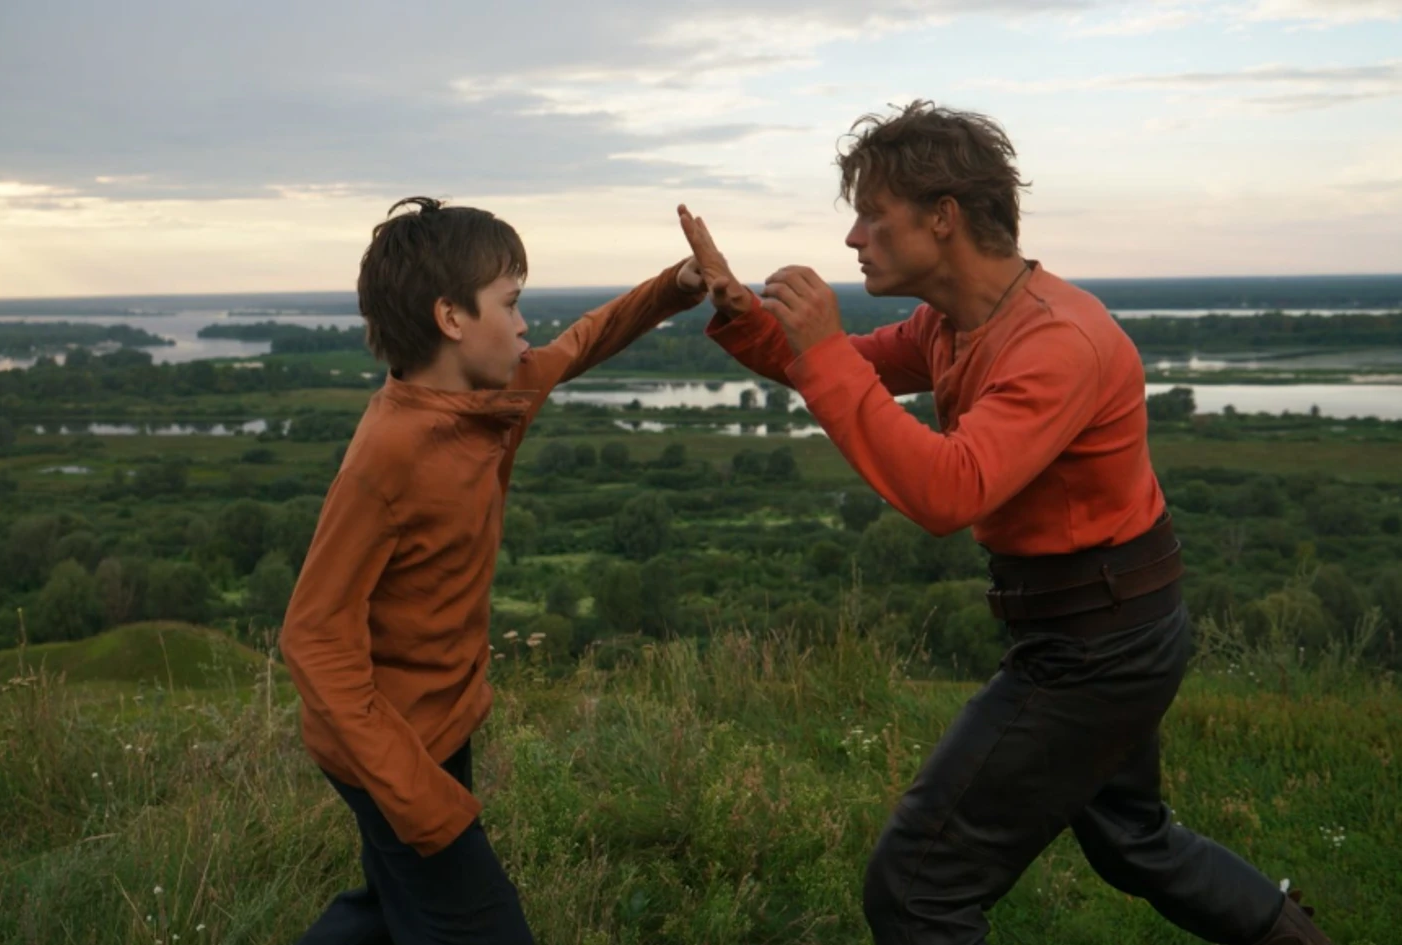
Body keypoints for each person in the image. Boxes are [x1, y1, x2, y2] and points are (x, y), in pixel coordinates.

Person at [678, 100, 1331, 945]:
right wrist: (745, 311)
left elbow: (947, 492)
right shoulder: (956, 323)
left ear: (942, 217)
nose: (853, 237)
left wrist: (825, 346)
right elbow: (839, 369)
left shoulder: (1057, 341)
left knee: (916, 889)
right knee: (1134, 842)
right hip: (1104, 623)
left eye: (873, 215)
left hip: (1098, 647)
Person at [280, 196, 706, 944]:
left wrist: (677, 285)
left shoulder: (489, 399)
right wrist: (418, 797)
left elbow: (583, 340)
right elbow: (313, 636)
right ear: (451, 318)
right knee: (479, 924)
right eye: (509, 303)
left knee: (390, 912)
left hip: (438, 725)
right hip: (386, 746)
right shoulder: (389, 454)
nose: (523, 323)